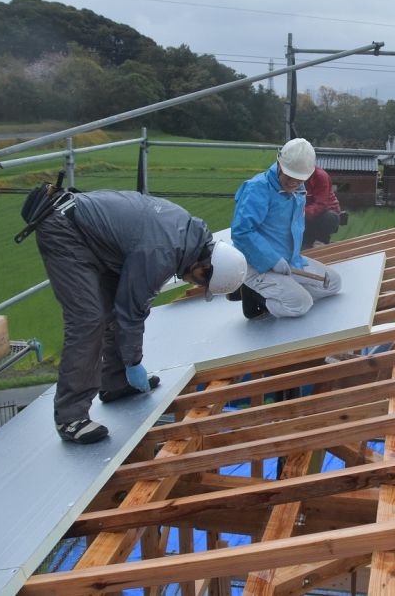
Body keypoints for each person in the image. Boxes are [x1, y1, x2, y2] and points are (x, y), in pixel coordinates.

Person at [34, 189, 247, 444]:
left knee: (111, 308)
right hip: (66, 231)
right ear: (205, 266)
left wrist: (129, 365)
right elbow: (131, 311)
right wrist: (134, 362)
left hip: (92, 237)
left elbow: (125, 304)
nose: (197, 285)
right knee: (88, 320)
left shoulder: (186, 238)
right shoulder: (162, 253)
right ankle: (70, 418)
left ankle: (115, 381)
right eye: (203, 282)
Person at [230, 138, 342, 319]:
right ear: (279, 164)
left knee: (334, 283)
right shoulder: (257, 189)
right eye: (289, 177)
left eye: (299, 180)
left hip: (289, 260)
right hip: (257, 264)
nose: (293, 183)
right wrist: (272, 260)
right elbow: (241, 233)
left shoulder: (298, 189)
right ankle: (256, 297)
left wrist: (291, 258)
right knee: (300, 304)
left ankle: (284, 290)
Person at [302, 166, 344, 249]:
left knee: (330, 217)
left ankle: (320, 241)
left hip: (324, 212)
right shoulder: (290, 176)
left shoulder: (320, 176)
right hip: (306, 215)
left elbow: (321, 204)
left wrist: (300, 212)